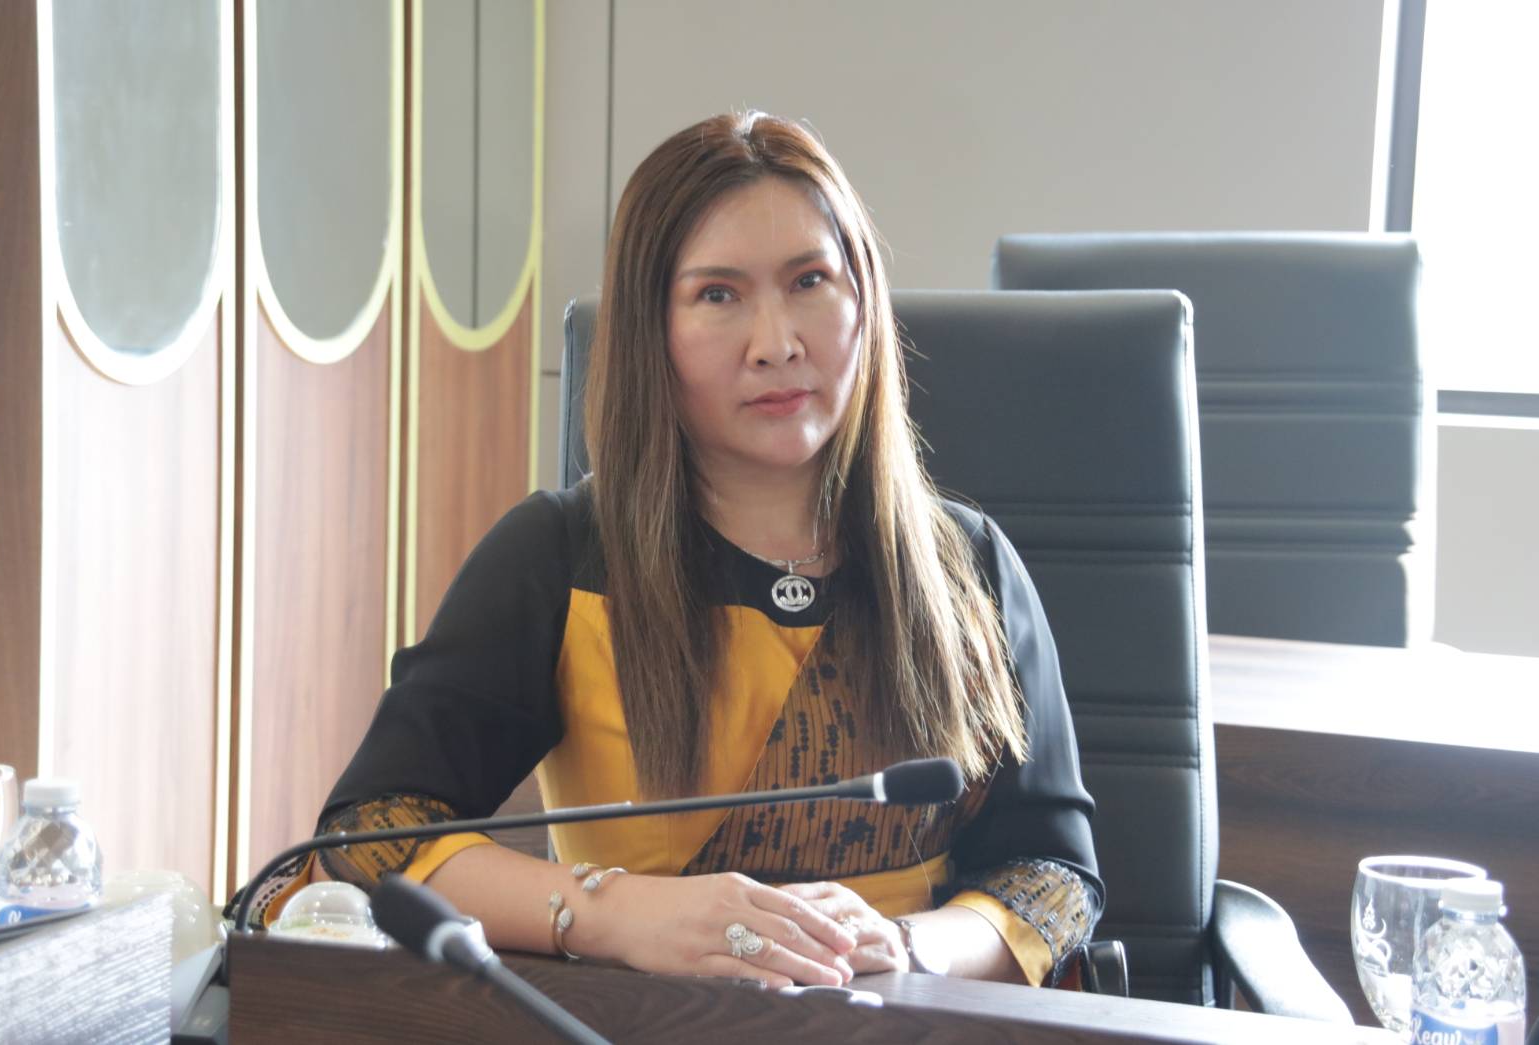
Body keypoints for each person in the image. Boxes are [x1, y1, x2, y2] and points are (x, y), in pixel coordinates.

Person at [246, 111, 1101, 990]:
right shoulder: (559, 556)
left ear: (864, 303)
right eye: (717, 295)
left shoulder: (967, 564)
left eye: (810, 279)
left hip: (906, 1016)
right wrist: (612, 911)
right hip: (640, 1018)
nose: (777, 344)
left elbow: (1053, 875)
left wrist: (912, 944)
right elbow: (371, 834)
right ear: (650, 330)